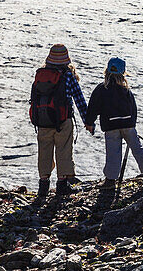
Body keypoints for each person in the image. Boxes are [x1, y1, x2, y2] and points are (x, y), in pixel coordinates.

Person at [29, 44, 88, 198]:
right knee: (63, 150)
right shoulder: (68, 75)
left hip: (43, 121)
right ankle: (62, 185)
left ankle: (43, 186)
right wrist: (88, 121)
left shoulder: (41, 74)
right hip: (63, 120)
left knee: (44, 151)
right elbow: (79, 99)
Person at [85, 57, 143, 188]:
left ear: (106, 71)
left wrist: (89, 122)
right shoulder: (126, 90)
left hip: (111, 125)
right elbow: (133, 108)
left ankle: (110, 180)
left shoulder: (101, 89)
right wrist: (132, 123)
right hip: (128, 124)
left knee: (113, 152)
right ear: (123, 73)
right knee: (137, 148)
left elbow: (93, 107)